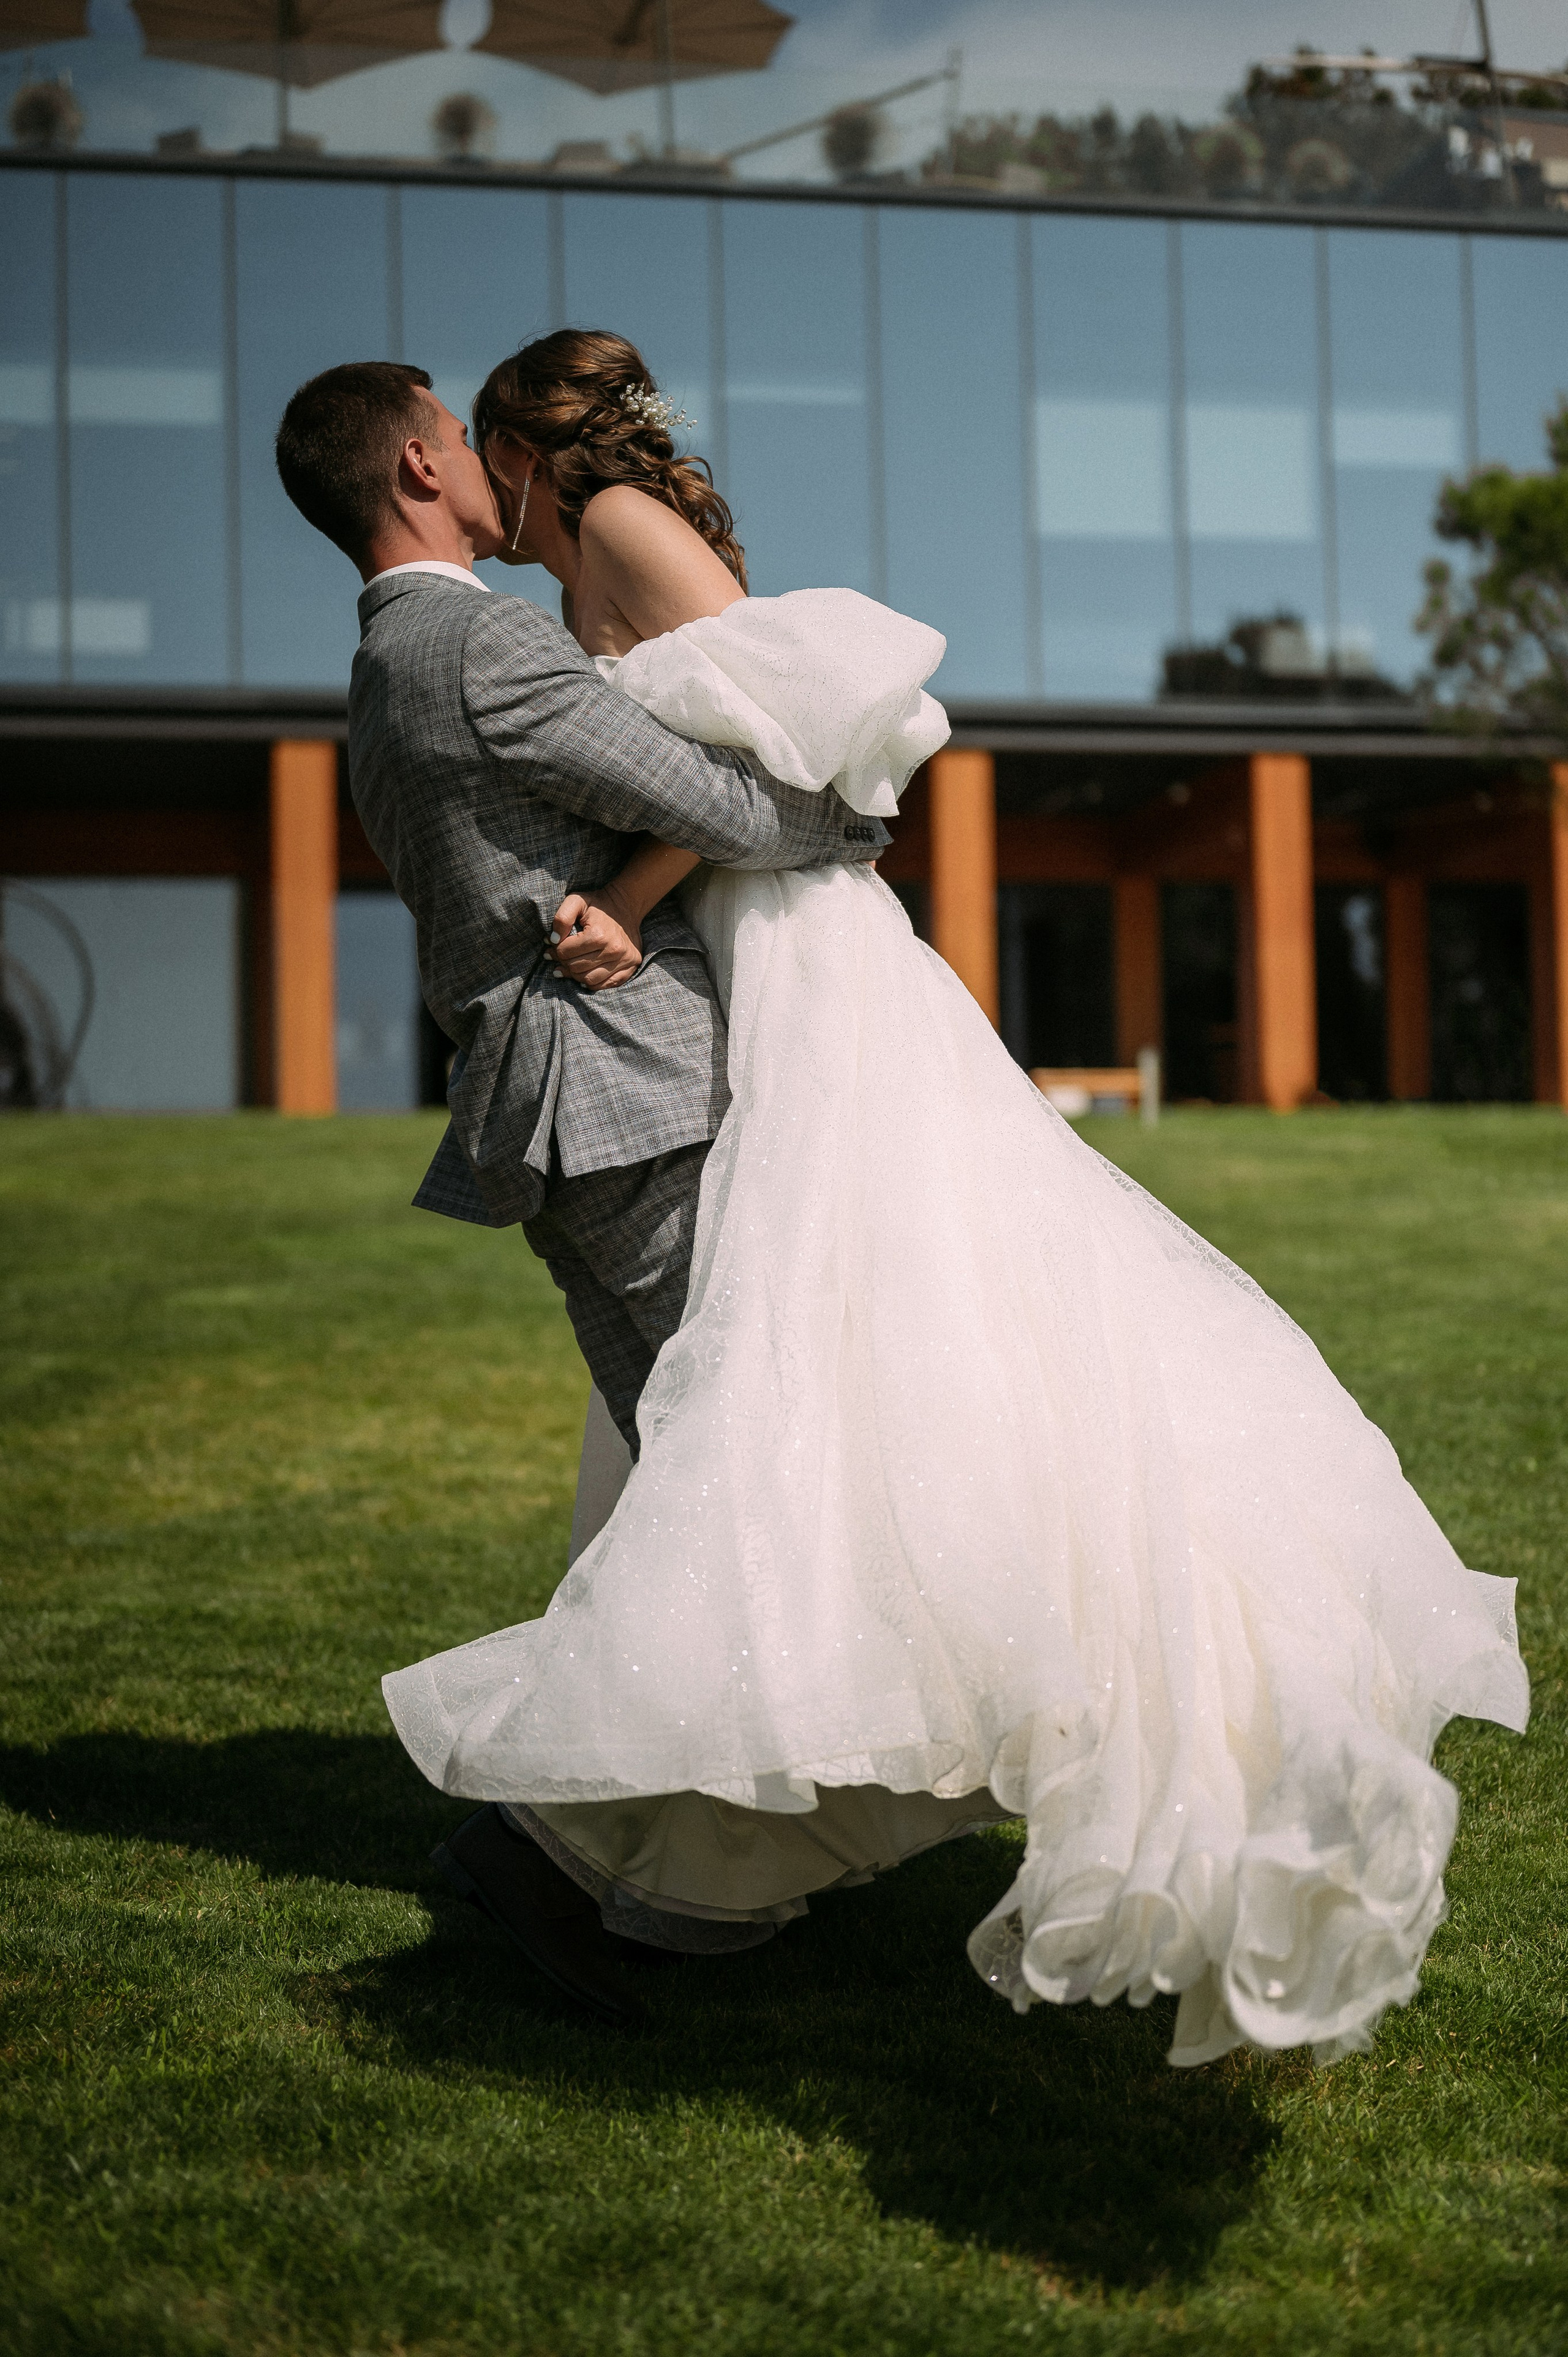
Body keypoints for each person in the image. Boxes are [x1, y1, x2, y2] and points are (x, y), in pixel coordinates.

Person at [378, 329, 1531, 2069]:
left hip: (793, 953)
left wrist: (629, 893)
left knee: (854, 1345)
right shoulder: (564, 580)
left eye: (490, 454)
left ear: (533, 450)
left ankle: (669, 1823)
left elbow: (796, 775)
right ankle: (686, 1835)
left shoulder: (612, 527)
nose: (489, 496)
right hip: (735, 964)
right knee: (783, 1382)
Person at [275, 359, 890, 2022]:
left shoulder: (380, 667)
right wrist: (847, 800)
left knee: (712, 1472)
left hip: (558, 1121)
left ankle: (676, 1855)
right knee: (750, 1473)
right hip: (622, 1107)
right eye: (456, 438)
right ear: (419, 461)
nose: (488, 464)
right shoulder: (478, 642)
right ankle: (566, 1857)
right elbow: (712, 805)